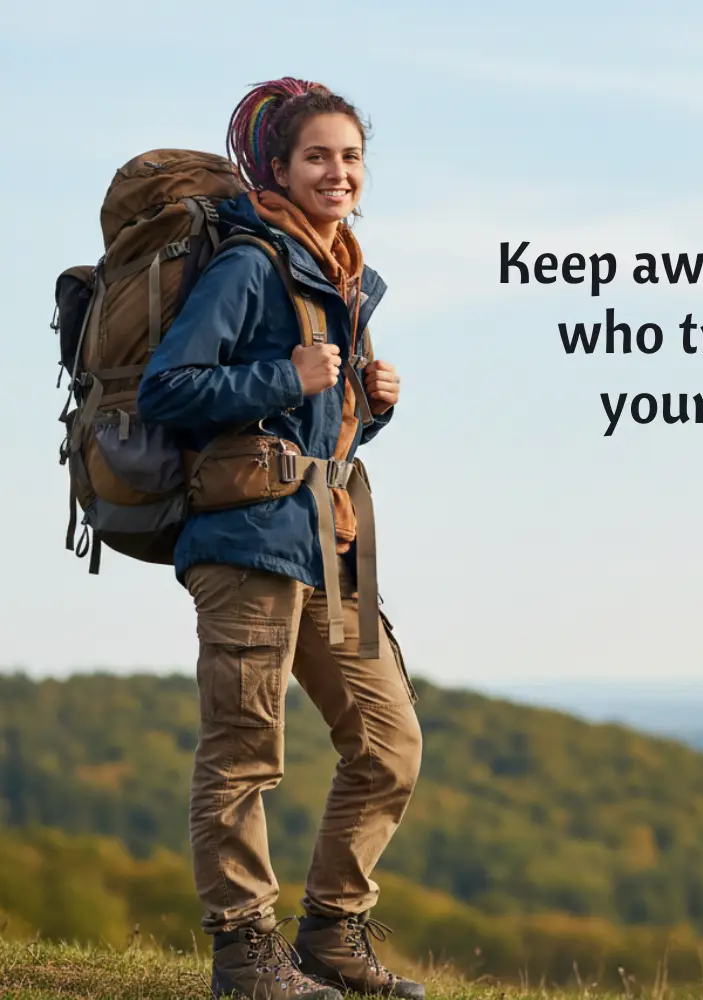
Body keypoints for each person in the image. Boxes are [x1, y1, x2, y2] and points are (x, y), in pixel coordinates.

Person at [137, 78, 423, 1000]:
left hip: (327, 547)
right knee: (243, 751)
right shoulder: (252, 264)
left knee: (388, 746)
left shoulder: (341, 274)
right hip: (247, 542)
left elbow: (318, 426)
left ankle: (333, 935)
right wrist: (283, 374)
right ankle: (244, 953)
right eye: (317, 157)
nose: (337, 172)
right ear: (278, 167)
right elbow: (168, 391)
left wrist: (367, 410)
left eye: (350, 157)